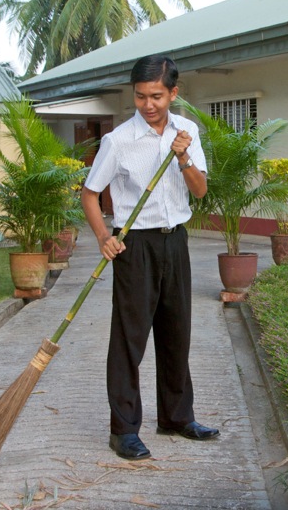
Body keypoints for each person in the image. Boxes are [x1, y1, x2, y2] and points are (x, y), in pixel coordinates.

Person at [81, 54, 220, 461]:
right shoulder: (119, 140)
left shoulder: (187, 131)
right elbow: (90, 194)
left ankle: (176, 418)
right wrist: (104, 236)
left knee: (177, 333)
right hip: (134, 245)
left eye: (156, 96)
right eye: (140, 96)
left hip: (175, 241)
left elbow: (199, 191)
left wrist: (183, 157)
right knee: (130, 341)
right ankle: (123, 430)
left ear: (173, 93)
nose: (148, 105)